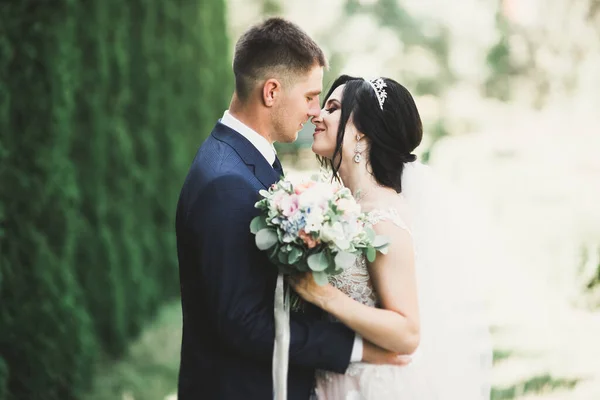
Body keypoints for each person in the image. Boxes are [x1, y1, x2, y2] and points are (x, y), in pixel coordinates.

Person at [175, 20, 407, 400]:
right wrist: (358, 349)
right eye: (311, 96)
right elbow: (243, 324)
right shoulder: (226, 182)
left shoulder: (245, 159)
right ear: (271, 92)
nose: (315, 112)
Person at [289, 75, 493, 399]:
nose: (318, 115)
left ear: (363, 132)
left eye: (332, 108)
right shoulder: (347, 208)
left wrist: (324, 295)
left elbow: (408, 332)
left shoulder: (384, 217)